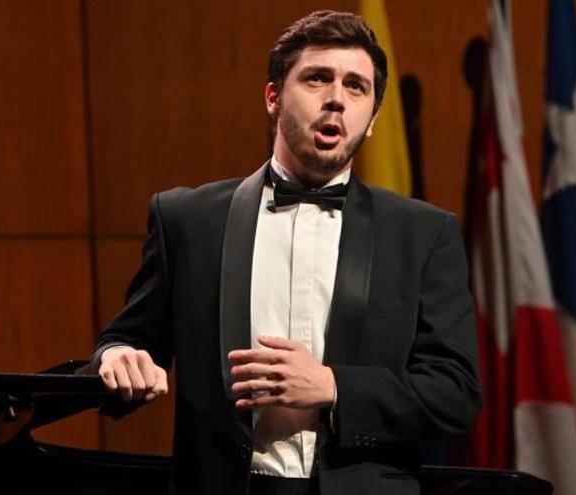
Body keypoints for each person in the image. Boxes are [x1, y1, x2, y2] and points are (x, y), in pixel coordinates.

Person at [92, 10, 481, 495]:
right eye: (318, 79)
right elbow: (128, 342)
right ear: (273, 97)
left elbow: (455, 393)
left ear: (374, 118)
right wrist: (118, 357)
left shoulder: (424, 234)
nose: (337, 98)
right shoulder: (187, 220)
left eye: (356, 87)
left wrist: (333, 388)